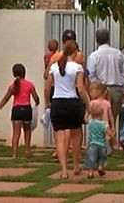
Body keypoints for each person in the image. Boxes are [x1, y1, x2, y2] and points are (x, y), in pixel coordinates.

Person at [44, 40, 90, 179]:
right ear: (75, 52)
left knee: (59, 138)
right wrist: (88, 104)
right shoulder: (77, 68)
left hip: (57, 103)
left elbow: (47, 88)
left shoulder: (54, 67)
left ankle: (64, 170)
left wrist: (48, 103)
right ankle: (76, 165)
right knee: (76, 134)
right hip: (72, 103)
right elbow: (81, 89)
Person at [86, 28, 124, 149]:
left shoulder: (94, 56)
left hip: (101, 90)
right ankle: (110, 144)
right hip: (116, 89)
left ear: (96, 40)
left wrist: (97, 87)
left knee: (100, 118)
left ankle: (102, 144)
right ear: (108, 38)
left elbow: (91, 74)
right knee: (111, 117)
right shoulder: (118, 54)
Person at [0, 63, 40, 159]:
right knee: (27, 130)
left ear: (13, 73)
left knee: (16, 133)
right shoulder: (29, 84)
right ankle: (27, 150)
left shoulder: (12, 86)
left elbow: (6, 98)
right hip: (26, 109)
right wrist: (37, 102)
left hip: (16, 110)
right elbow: (35, 97)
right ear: (24, 73)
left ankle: (14, 154)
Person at [84, 103, 113, 179]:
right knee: (102, 157)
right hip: (102, 145)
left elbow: (85, 119)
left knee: (91, 158)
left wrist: (87, 112)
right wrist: (113, 136)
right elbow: (109, 134)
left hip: (92, 145)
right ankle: (100, 167)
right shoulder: (104, 124)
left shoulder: (91, 122)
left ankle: (90, 172)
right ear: (102, 114)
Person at [85, 81, 115, 154]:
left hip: (95, 125)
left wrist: (86, 118)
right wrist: (112, 126)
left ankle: (94, 151)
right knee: (104, 139)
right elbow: (111, 116)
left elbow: (87, 112)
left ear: (98, 91)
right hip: (105, 124)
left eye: (91, 91)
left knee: (94, 138)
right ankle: (105, 151)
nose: (90, 93)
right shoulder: (107, 103)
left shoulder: (92, 103)